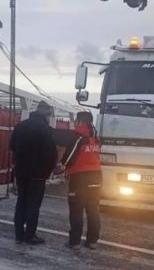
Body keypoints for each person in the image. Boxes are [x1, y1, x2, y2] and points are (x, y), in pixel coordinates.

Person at [10, 100, 58, 245]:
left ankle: (19, 235)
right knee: (33, 204)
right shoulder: (45, 130)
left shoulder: (20, 126)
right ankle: (30, 236)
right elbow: (51, 154)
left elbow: (12, 146)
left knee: (21, 202)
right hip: (37, 174)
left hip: (21, 172)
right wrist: (47, 171)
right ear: (47, 114)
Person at [60, 111, 102, 249]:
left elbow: (68, 158)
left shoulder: (78, 137)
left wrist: (62, 164)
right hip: (96, 177)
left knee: (77, 210)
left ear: (81, 122)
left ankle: (75, 241)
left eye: (77, 120)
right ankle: (92, 241)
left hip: (80, 179)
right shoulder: (95, 138)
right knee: (93, 210)